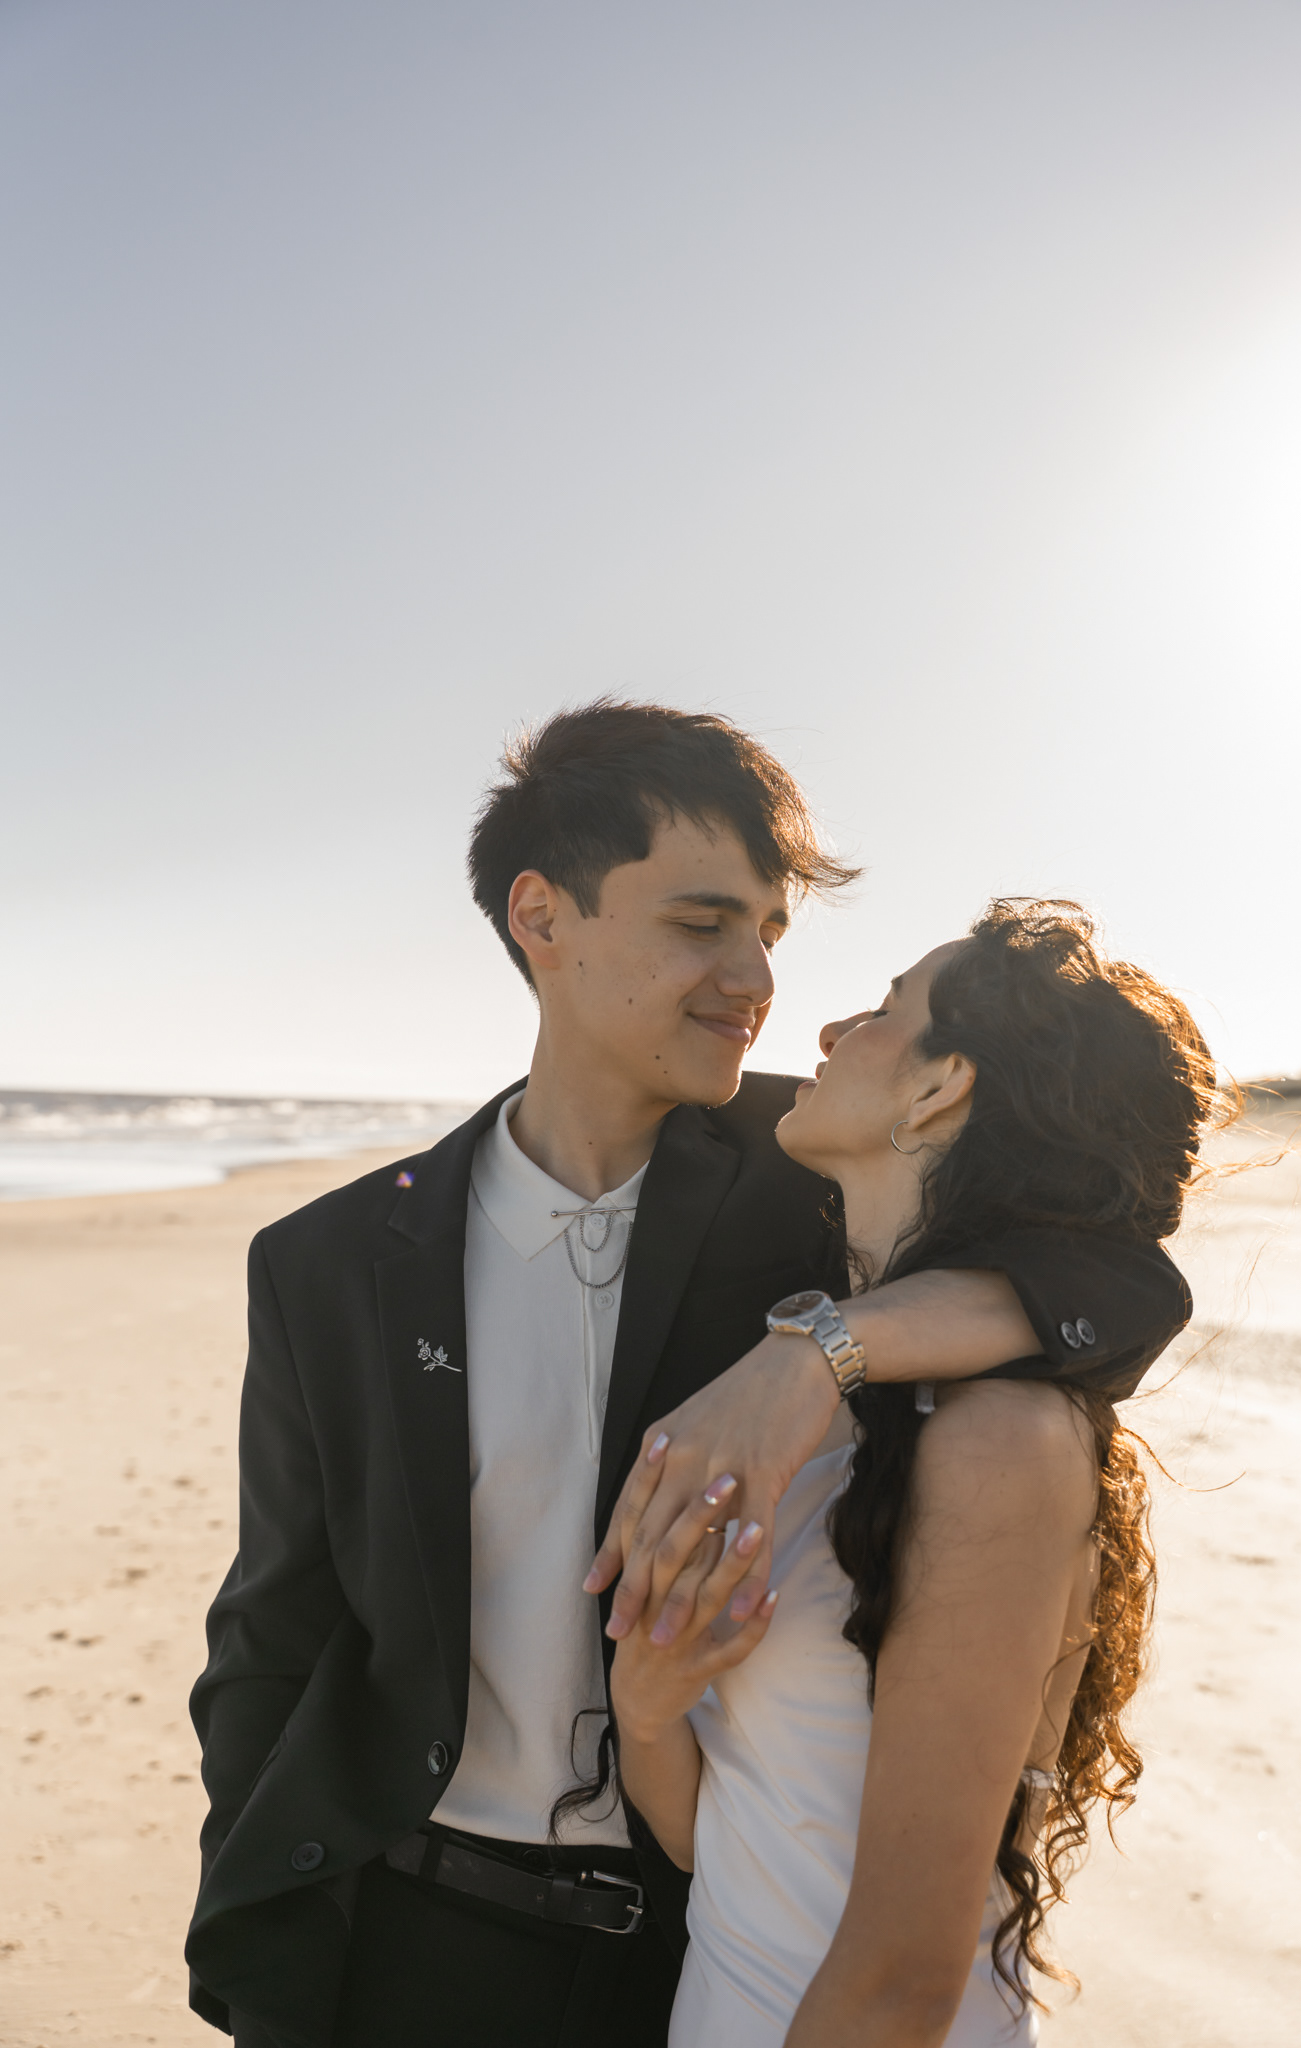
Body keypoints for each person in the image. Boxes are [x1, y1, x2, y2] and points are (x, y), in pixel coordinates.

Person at [185, 705, 1190, 2048]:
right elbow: (272, 1635)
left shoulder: (825, 1173)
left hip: (701, 1943)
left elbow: (1117, 1288)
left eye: (769, 932)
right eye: (700, 923)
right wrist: (267, 1958)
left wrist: (813, 1359)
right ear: (542, 917)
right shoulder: (328, 1262)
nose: (752, 979)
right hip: (413, 1948)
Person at [608, 902, 1221, 2047]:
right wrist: (646, 1707)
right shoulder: (819, 1410)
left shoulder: (999, 1439)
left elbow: (902, 1977)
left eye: (886, 1009)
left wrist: (816, 1351)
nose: (829, 1027)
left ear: (940, 1088)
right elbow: (727, 1840)